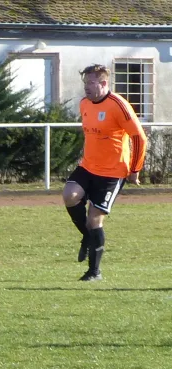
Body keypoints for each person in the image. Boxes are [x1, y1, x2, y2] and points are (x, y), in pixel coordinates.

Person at [63, 64, 147, 281]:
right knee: (69, 195)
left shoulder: (118, 105)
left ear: (103, 83)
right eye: (85, 83)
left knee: (94, 220)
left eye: (90, 83)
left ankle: (94, 272)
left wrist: (135, 169)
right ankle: (88, 238)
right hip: (88, 166)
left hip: (112, 172)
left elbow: (139, 137)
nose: (86, 88)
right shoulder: (84, 104)